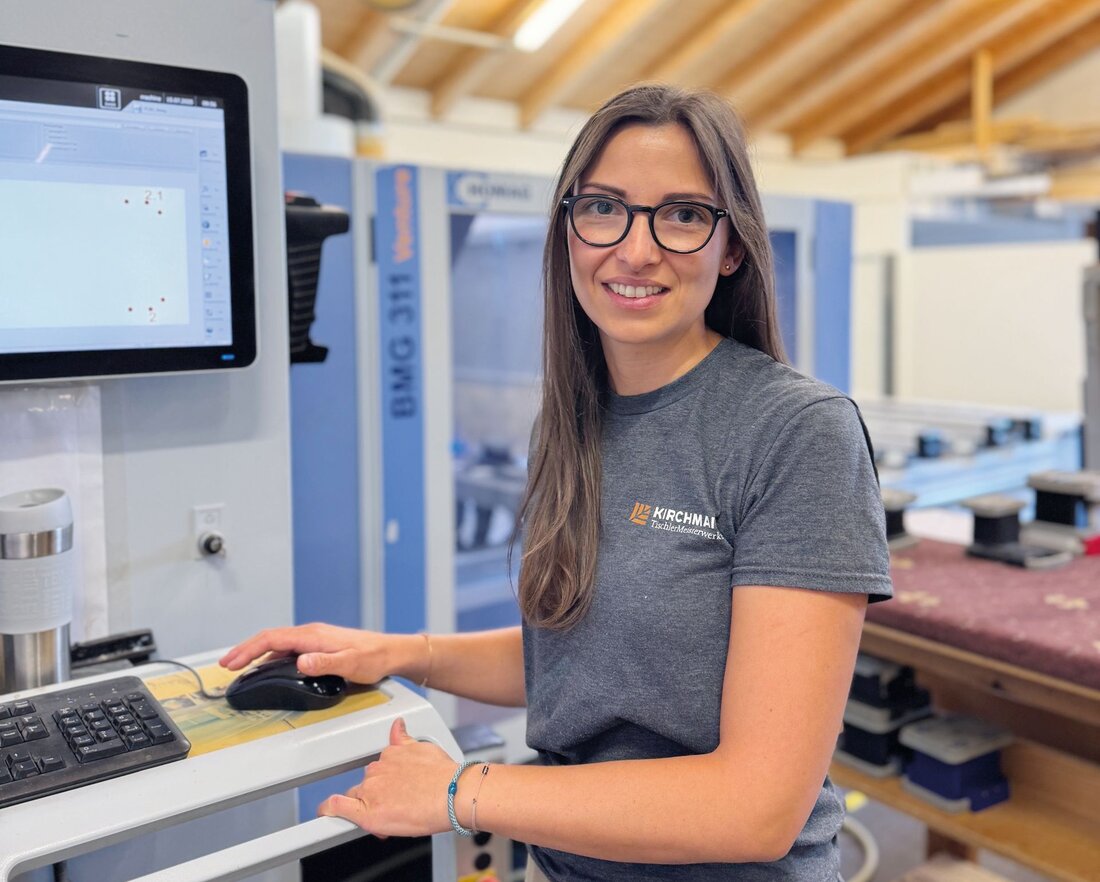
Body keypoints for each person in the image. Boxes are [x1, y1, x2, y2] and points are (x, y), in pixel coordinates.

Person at [221, 83, 892, 881]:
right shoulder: (571, 421)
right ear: (569, 228)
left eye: (682, 215)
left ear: (732, 247)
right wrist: (397, 653)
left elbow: (758, 807)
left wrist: (462, 791)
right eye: (604, 208)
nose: (635, 251)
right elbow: (584, 653)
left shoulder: (797, 433)